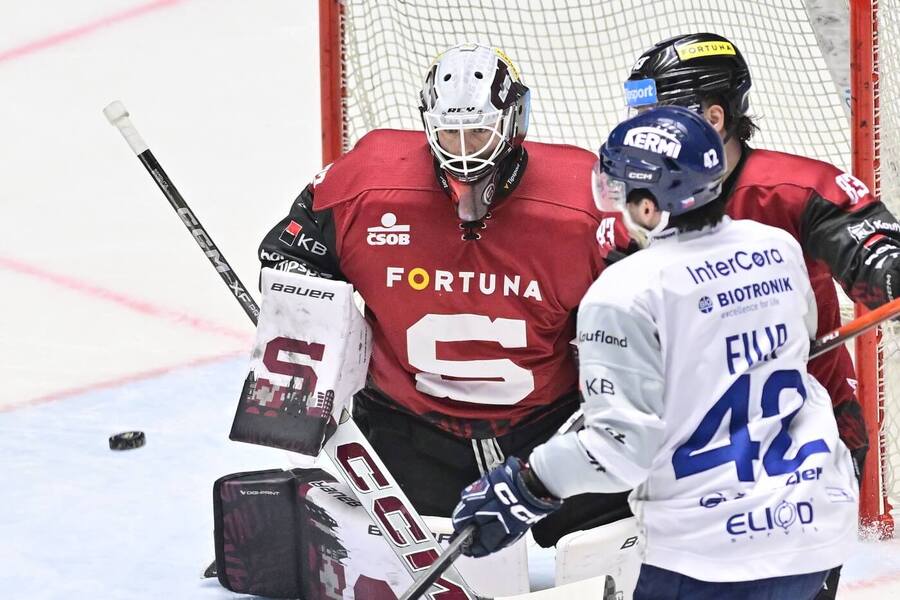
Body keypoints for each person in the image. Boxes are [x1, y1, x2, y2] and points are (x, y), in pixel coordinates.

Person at [452, 105, 859, 600]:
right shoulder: (776, 246)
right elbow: (790, 342)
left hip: (709, 551)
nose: (611, 201)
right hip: (813, 521)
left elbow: (619, 452)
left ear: (650, 208)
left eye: (619, 188)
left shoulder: (625, 291)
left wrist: (527, 485)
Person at [257, 43, 628, 536]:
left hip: (551, 430)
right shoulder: (363, 186)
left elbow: (647, 301)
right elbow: (287, 258)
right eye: (449, 134)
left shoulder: (588, 200)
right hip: (406, 427)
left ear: (515, 124)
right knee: (366, 552)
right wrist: (307, 362)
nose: (465, 150)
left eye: (478, 131)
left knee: (622, 543)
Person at [616, 33, 900, 597]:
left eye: (658, 113)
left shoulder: (791, 187)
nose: (645, 127)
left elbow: (870, 247)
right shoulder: (638, 191)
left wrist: (888, 269)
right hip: (682, 439)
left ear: (713, 116)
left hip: (799, 431)